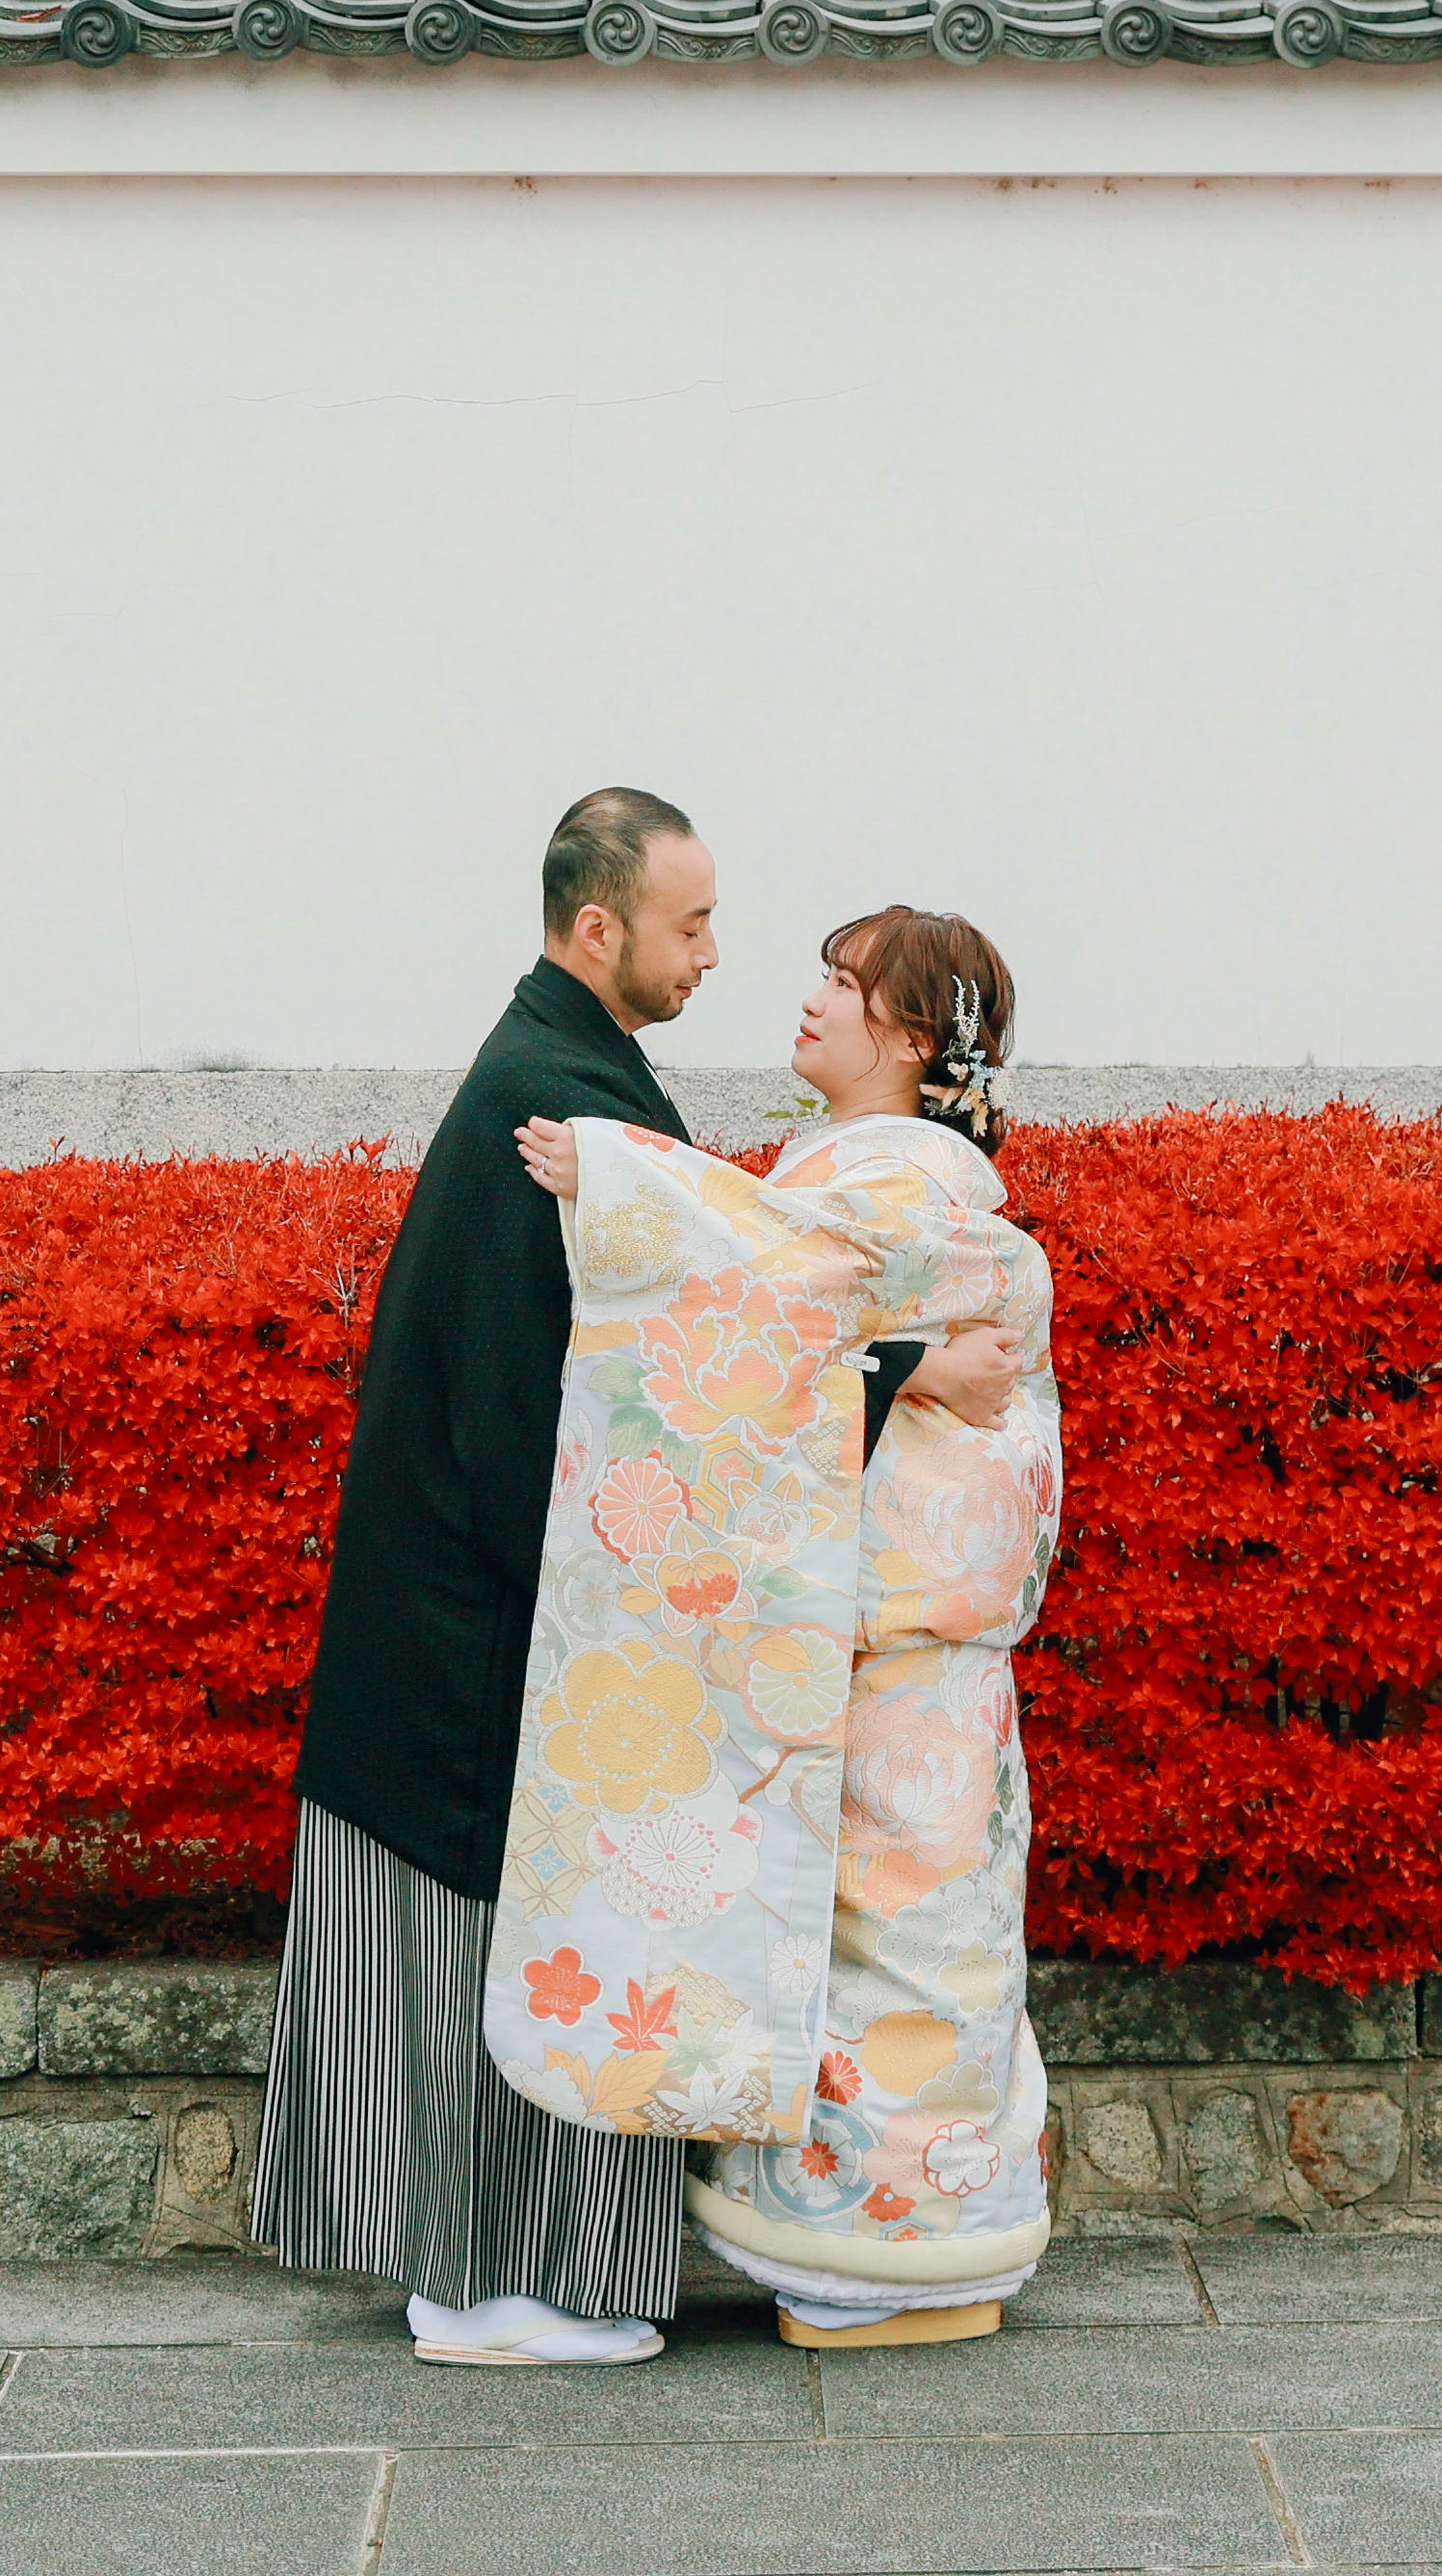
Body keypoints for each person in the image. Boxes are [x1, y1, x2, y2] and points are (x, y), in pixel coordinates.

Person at [255, 793, 1019, 2368]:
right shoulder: (558, 1094)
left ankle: (495, 2276)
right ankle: (494, 2287)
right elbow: (687, 1368)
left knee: (506, 1962)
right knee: (515, 1958)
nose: (717, 955)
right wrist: (909, 1369)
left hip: (480, 1601)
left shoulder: (565, 1076)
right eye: (690, 925)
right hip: (487, 1620)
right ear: (597, 926)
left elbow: (703, 1317)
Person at [491, 906, 1064, 2351]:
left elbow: (759, 1298)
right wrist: (912, 1362)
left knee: (887, 1938)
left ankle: (887, 2256)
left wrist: (624, 1178)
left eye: (845, 985)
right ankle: (903, 2244)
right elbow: (783, 1308)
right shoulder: (856, 1176)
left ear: (913, 1036)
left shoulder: (905, 1183)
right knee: (884, 1936)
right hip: (876, 1653)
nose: (810, 1001)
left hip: (886, 1647)